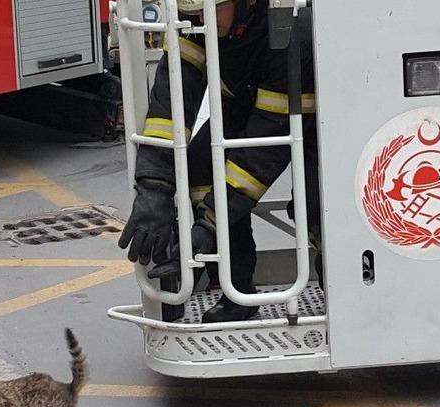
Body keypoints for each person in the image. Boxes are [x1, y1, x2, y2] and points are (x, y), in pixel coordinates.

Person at [118, 0, 320, 322]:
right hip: (246, 98)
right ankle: (235, 289)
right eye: (193, 11)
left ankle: (341, 289)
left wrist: (209, 224)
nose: (200, 18)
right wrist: (153, 186)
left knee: (317, 201)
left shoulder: (286, 25)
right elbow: (170, 105)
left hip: (312, 114)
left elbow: (262, 153)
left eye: (213, 7)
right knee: (201, 163)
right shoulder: (197, 20)